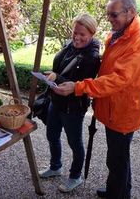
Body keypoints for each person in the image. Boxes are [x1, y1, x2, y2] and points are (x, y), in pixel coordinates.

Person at [53, 0, 140, 199]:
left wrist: (79, 86)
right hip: (112, 107)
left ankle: (118, 194)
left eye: (114, 14)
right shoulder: (117, 35)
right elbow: (107, 70)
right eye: (108, 14)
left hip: (123, 110)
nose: (109, 19)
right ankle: (116, 191)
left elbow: (118, 79)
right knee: (118, 157)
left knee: (117, 158)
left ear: (131, 12)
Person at [39, 13, 101, 193]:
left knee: (75, 143)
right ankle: (56, 166)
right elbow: (61, 70)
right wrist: (52, 74)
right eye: (75, 33)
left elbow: (80, 83)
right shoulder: (69, 46)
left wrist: (57, 77)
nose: (77, 37)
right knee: (52, 135)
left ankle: (75, 176)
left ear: (91, 34)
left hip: (73, 107)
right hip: (56, 101)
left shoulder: (92, 57)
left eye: (82, 34)